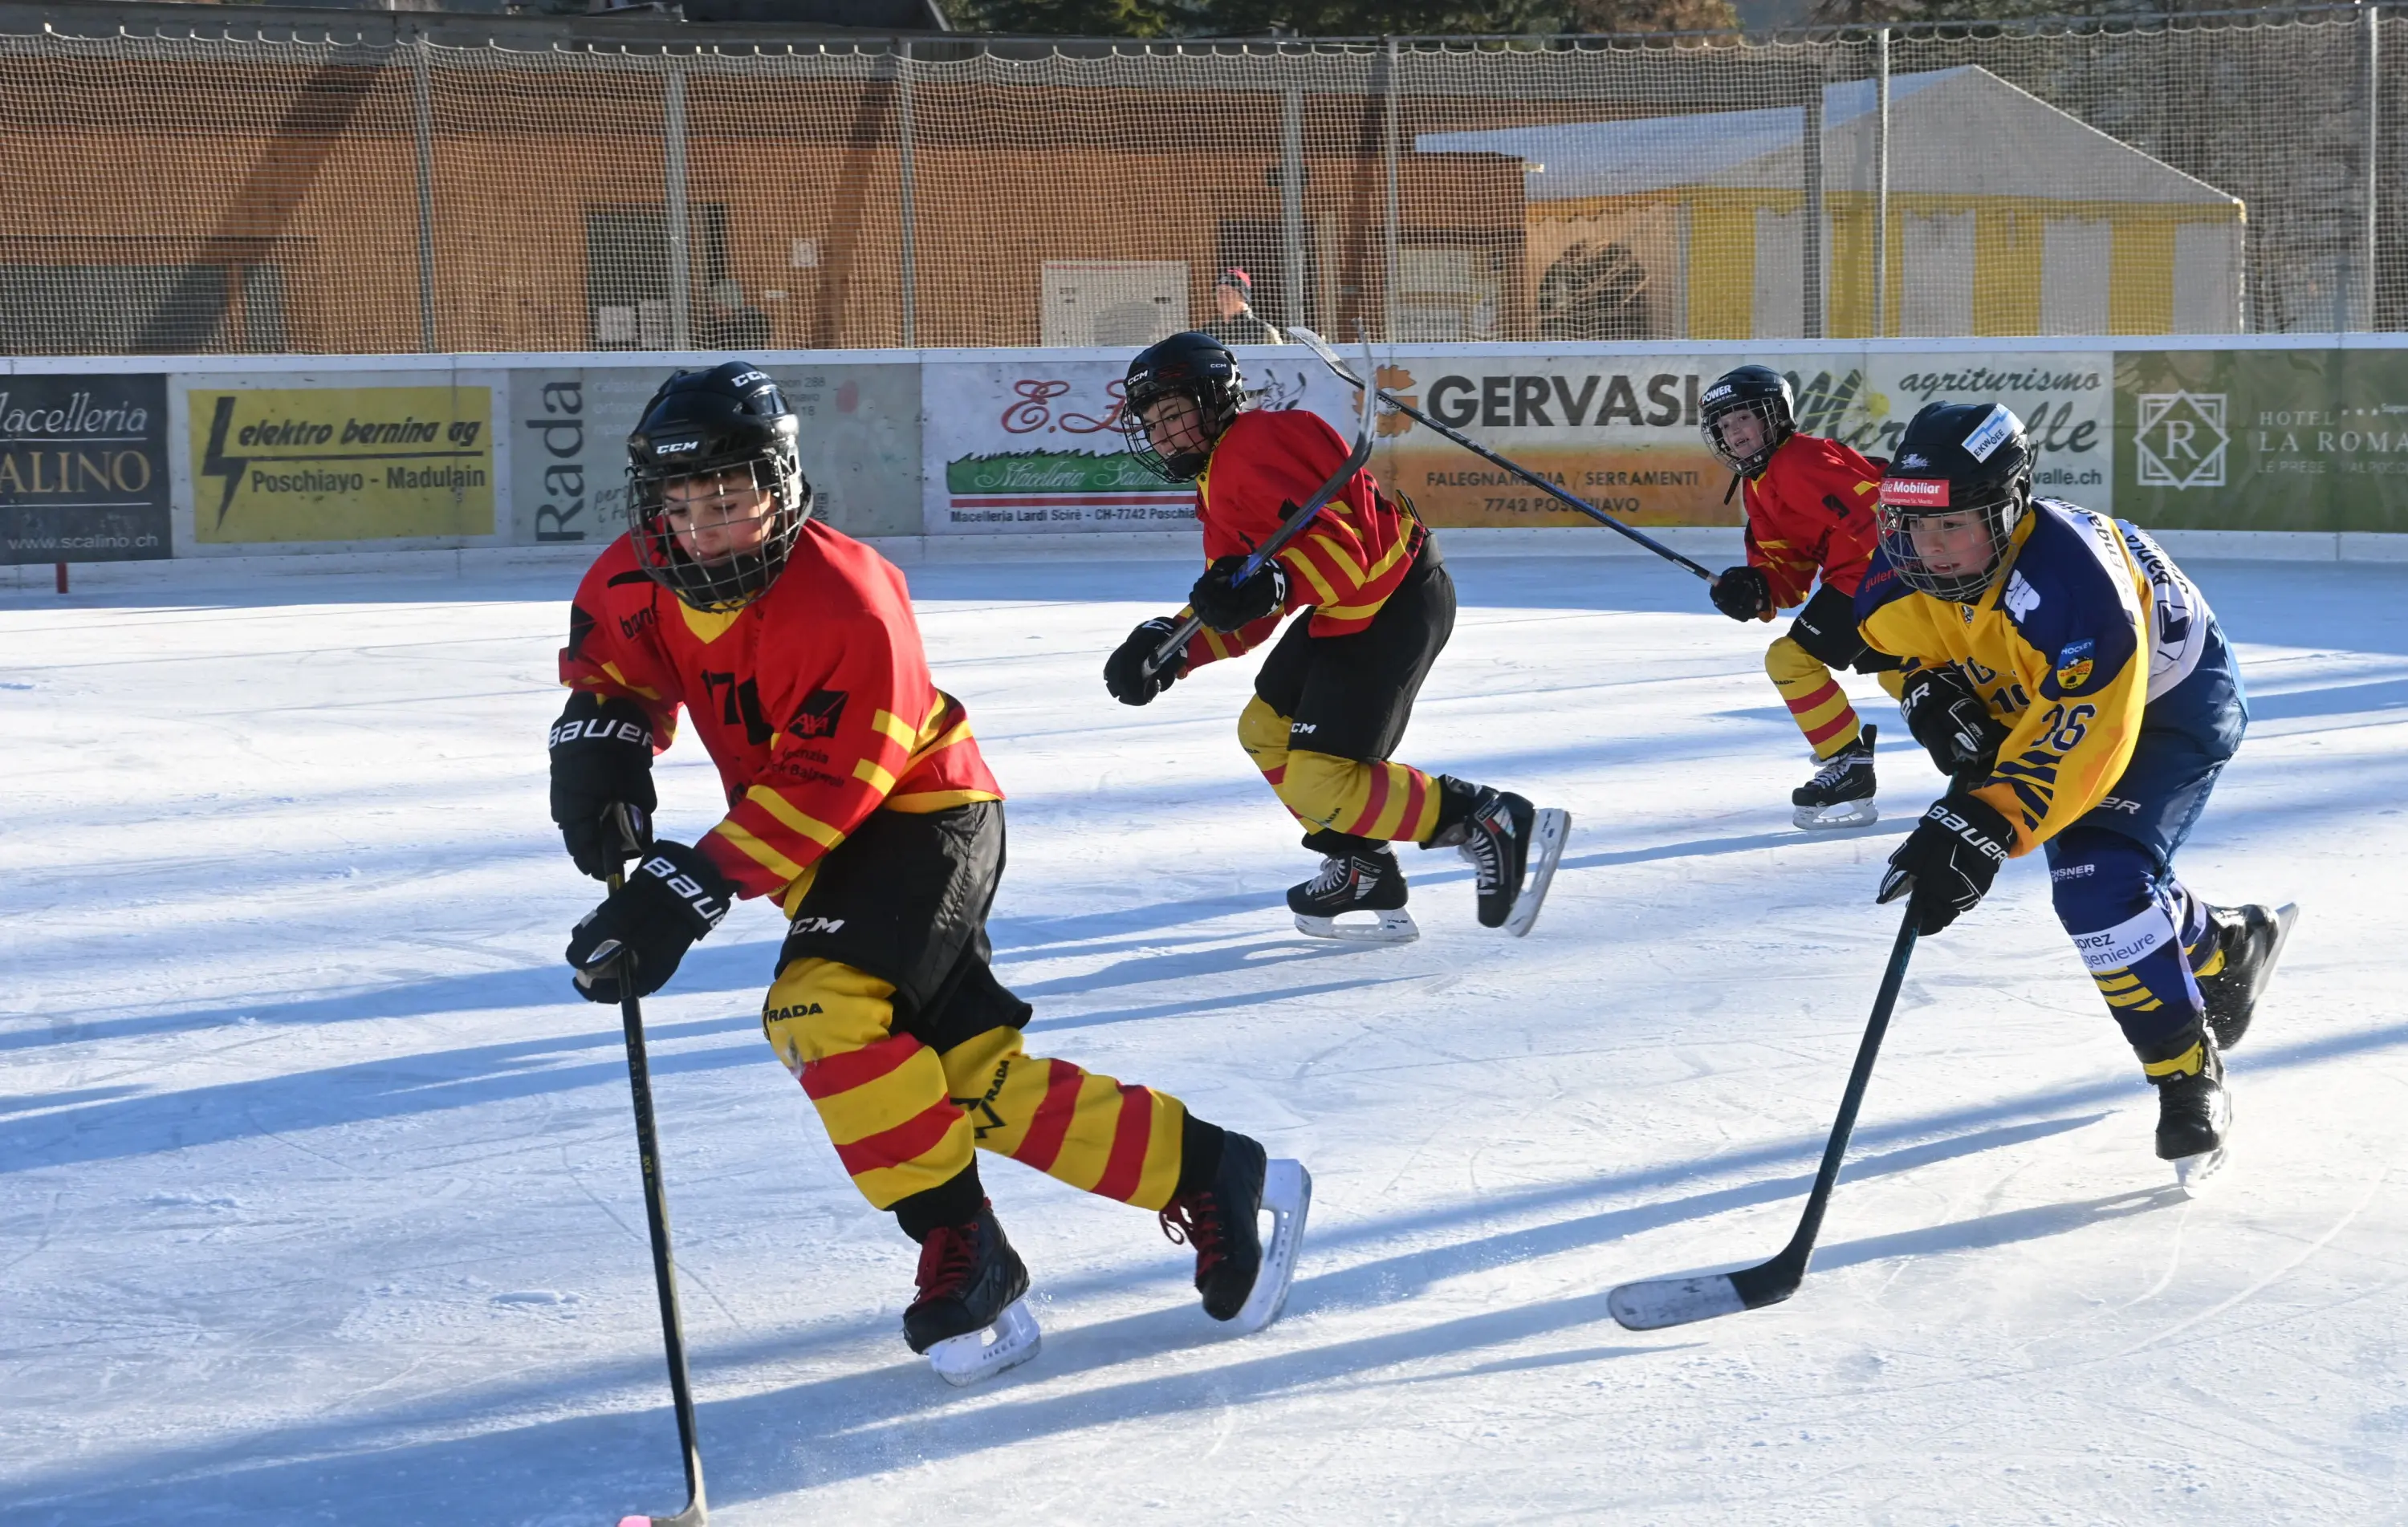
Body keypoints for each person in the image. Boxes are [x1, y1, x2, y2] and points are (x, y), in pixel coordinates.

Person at [547, 360, 1309, 1384]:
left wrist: (687, 890)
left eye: (727, 499)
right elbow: (617, 667)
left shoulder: (849, 596)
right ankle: (1209, 1168)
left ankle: (964, 1243)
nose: (701, 528)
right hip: (816, 850)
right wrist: (602, 739)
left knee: (818, 1012)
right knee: (962, 1079)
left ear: (778, 486)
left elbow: (834, 782)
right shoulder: (635, 575)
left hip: (921, 815)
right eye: (679, 504)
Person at [1858, 400, 2296, 1188]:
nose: (1931, 547)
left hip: (2167, 705)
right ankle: (2226, 946)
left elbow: (2090, 728)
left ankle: (2185, 1072)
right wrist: (1927, 690)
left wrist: (1984, 822)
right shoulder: (1909, 558)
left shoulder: (2075, 583)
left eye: (1954, 526)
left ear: (2009, 508)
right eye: (1917, 525)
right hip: (2051, 692)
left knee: (2097, 881)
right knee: (2119, 887)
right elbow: (1889, 643)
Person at [1104, 331, 1568, 944]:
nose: (1162, 435)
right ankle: (1361, 865)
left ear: (1214, 399)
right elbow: (1245, 606)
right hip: (1352, 607)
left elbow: (1349, 554)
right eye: (1152, 424)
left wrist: (1270, 584)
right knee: (1265, 729)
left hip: (1392, 600)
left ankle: (1487, 817)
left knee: (1321, 777)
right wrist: (1174, 647)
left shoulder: (1253, 445)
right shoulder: (1217, 476)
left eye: (1172, 415)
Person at [1698, 363, 1906, 828]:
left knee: (1790, 660)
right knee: (1907, 679)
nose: (1735, 433)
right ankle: (1984, 750)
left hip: (1879, 577)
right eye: (1724, 426)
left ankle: (1848, 765)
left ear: (1773, 416)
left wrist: (1910, 594)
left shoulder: (1798, 462)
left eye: (1743, 418)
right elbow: (1789, 576)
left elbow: (1882, 521)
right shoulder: (1758, 485)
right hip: (1866, 580)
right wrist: (1754, 589)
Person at [1201, 267, 1283, 347]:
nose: (1223, 298)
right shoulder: (1206, 333)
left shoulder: (1263, 331)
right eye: (1220, 292)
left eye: (1228, 292)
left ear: (1243, 297)